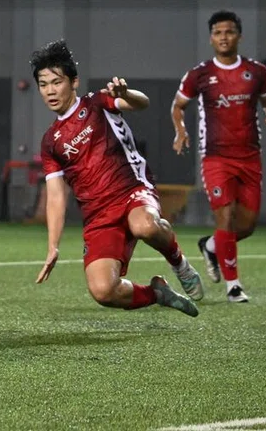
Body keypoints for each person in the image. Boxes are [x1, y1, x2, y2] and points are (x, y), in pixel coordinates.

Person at [32, 40, 203, 317]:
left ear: (74, 82)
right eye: (43, 84)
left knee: (145, 226)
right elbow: (55, 195)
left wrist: (127, 93)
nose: (50, 90)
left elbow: (142, 103)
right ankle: (158, 293)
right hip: (98, 215)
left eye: (56, 82)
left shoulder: (97, 103)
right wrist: (53, 246)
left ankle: (180, 264)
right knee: (103, 291)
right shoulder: (51, 142)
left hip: (132, 190)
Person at [170, 10, 266, 303]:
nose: (224, 37)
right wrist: (180, 131)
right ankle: (234, 286)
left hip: (250, 157)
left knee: (246, 225)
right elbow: (178, 106)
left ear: (239, 36)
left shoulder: (257, 72)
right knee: (226, 216)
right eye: (218, 32)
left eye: (229, 32)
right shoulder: (200, 74)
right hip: (216, 158)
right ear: (211, 38)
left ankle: (210, 247)